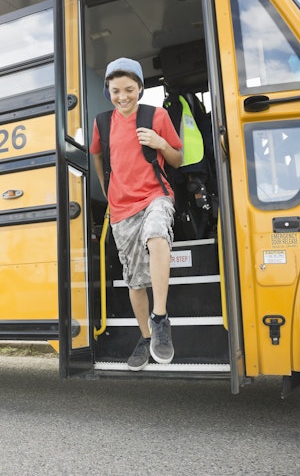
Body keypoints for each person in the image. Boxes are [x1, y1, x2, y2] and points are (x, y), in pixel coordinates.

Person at [90, 58, 184, 370]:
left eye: (129, 89)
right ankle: (146, 337)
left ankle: (160, 318)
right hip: (121, 209)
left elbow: (178, 158)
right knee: (134, 280)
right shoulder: (102, 122)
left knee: (157, 235)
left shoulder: (156, 115)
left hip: (155, 196)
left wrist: (160, 143)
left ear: (141, 88)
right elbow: (99, 157)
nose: (123, 96)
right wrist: (108, 192)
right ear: (108, 91)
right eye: (116, 90)